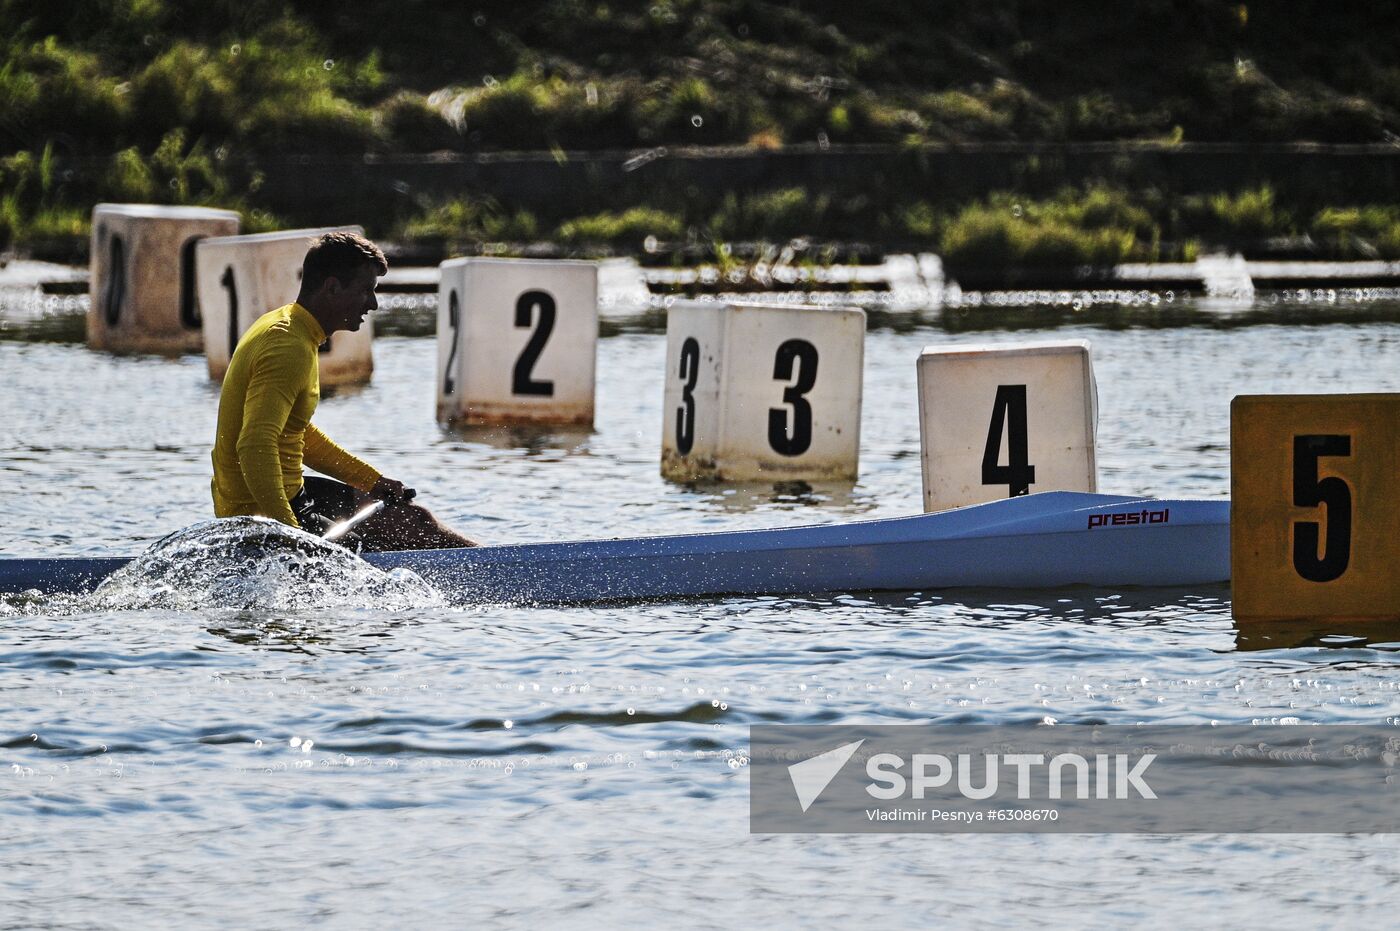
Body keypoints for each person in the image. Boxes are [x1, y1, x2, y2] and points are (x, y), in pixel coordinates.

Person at [210, 231, 475, 551]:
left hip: (286, 494)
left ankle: (488, 560)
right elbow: (253, 445)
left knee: (408, 520)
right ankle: (493, 572)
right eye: (366, 291)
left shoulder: (289, 328)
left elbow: (298, 435)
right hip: (256, 512)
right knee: (388, 541)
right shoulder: (287, 348)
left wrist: (372, 481)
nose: (374, 303)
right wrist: (291, 535)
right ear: (332, 287)